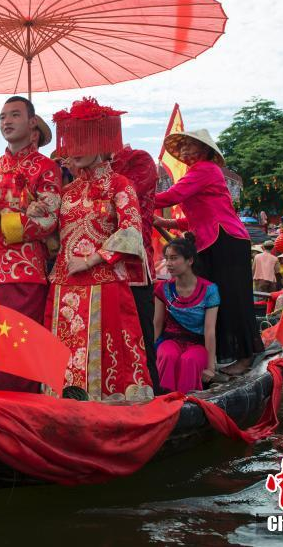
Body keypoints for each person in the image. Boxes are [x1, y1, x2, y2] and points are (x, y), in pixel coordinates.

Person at [43, 97, 153, 401]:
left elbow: (131, 231)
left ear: (102, 143)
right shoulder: (66, 192)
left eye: (82, 142)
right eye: (70, 143)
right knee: (63, 354)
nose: (72, 151)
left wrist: (93, 259)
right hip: (64, 286)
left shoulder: (120, 185)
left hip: (104, 282)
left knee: (107, 354)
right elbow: (54, 237)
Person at [0, 95, 62, 391]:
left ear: (32, 122)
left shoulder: (47, 168)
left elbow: (49, 219)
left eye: (14, 115)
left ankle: (21, 418)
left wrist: (3, 220)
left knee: (19, 355)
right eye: (2, 117)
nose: (6, 122)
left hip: (24, 274)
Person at [154, 129, 261, 376]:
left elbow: (173, 196)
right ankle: (220, 354)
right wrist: (165, 223)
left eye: (191, 146)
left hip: (226, 240)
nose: (185, 152)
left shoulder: (205, 169)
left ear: (205, 150)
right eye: (182, 148)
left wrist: (135, 197)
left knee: (232, 298)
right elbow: (195, 218)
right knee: (213, 298)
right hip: (211, 240)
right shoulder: (197, 173)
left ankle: (245, 356)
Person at [111, 140, 161, 394]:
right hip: (94, 271)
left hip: (134, 266)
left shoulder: (138, 160)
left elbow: (124, 193)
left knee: (139, 338)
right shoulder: (78, 169)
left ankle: (151, 395)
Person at [154, 235, 220, 394]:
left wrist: (211, 368)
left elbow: (210, 331)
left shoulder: (209, 290)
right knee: (167, 357)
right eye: (167, 258)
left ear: (189, 261)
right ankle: (161, 400)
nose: (168, 263)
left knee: (189, 361)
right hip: (170, 340)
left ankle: (186, 404)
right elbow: (157, 324)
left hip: (197, 344)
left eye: (174, 258)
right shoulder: (162, 289)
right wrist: (148, 358)